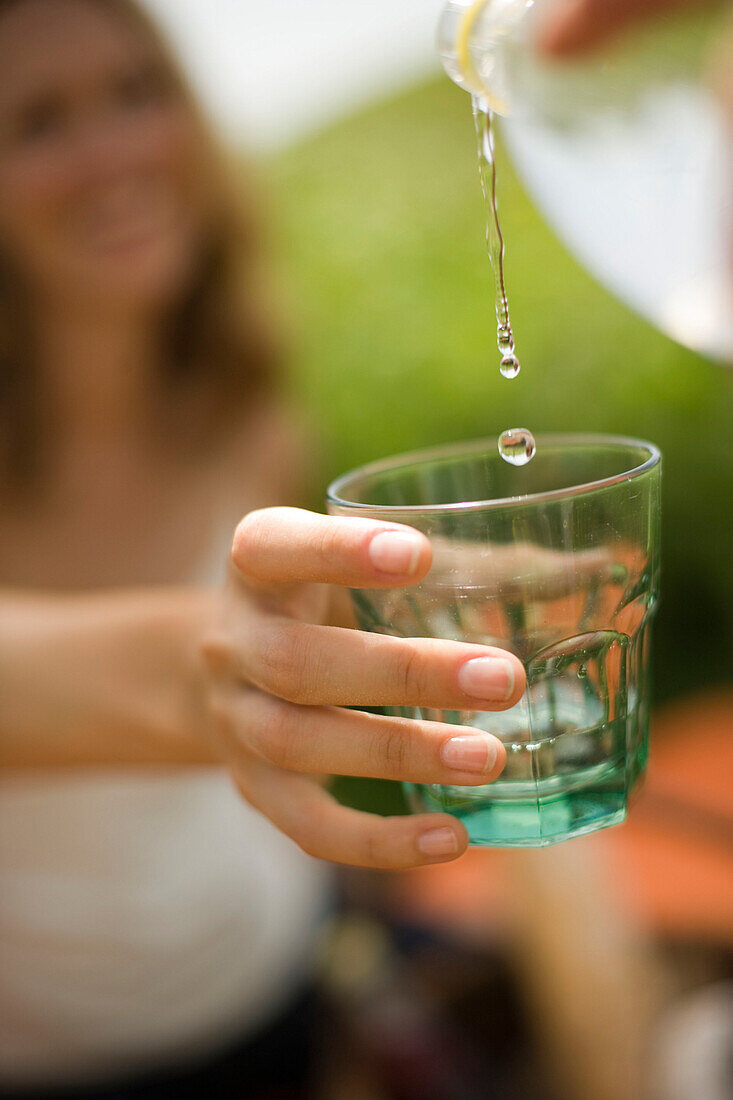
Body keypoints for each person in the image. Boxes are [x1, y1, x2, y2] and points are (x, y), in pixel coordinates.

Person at [0, 1, 528, 1095]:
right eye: (36, 121)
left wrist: (479, 604)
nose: (117, 152)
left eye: (137, 92)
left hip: (276, 988)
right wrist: (216, 673)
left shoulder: (244, 414)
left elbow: (301, 631)